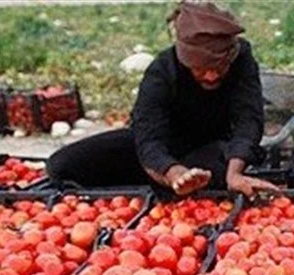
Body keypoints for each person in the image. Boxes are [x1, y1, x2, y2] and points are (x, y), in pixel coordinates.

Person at [47, 1, 278, 197]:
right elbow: (148, 137)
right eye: (200, 69)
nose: (211, 75)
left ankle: (176, 185)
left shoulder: (242, 59)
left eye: (219, 67)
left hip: (213, 148)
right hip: (162, 148)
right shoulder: (161, 72)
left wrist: (235, 173)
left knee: (215, 170)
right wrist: (172, 173)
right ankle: (162, 182)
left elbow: (249, 118)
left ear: (231, 55)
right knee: (63, 165)